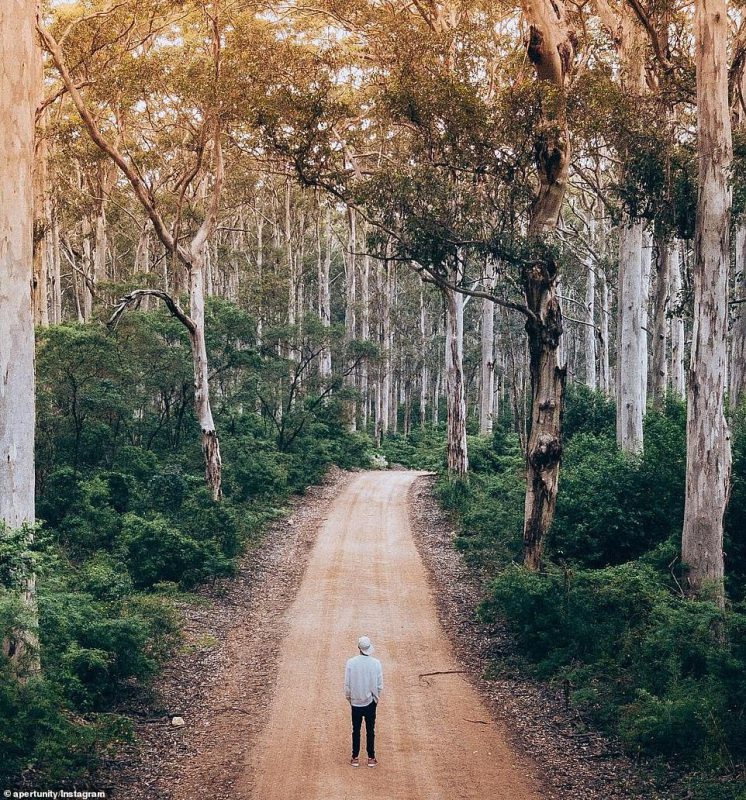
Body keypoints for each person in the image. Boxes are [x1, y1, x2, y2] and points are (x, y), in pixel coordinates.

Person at [344, 635, 383, 768]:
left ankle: (355, 757)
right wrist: (375, 699)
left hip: (356, 702)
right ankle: (371, 757)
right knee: (370, 730)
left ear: (358, 648)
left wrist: (350, 699)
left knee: (356, 729)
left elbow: (347, 685)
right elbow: (379, 684)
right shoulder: (376, 663)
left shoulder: (350, 662)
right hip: (370, 701)